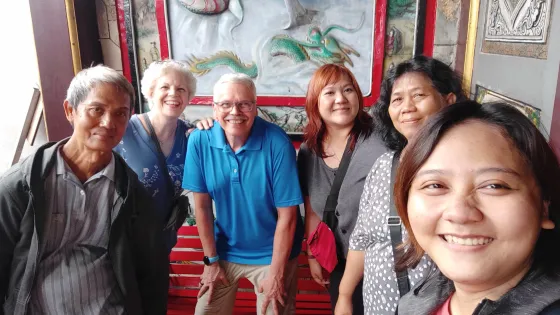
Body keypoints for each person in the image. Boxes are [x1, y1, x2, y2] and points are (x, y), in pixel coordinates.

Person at [0, 65, 169, 315]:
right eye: (96, 110)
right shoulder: (20, 186)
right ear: (70, 110)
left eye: (120, 113)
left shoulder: (133, 196)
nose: (108, 123)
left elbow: (152, 274)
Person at [394, 101, 560, 314]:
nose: (460, 213)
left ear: (545, 206)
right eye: (435, 185)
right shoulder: (417, 301)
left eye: (494, 186)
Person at [336, 56, 469, 315]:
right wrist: (344, 294)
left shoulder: (462, 166)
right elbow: (363, 237)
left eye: (418, 95)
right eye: (397, 99)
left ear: (449, 101)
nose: (407, 107)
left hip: (436, 306)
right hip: (378, 306)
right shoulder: (384, 165)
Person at [182, 73, 304, 315]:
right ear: (214, 109)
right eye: (226, 104)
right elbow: (203, 208)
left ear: (255, 108)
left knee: (274, 310)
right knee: (206, 311)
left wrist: (277, 274)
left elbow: (288, 217)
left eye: (244, 104)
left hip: (273, 254)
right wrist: (210, 261)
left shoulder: (277, 143)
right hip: (225, 251)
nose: (235, 111)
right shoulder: (199, 141)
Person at [297, 64, 386, 314]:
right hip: (339, 261)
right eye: (330, 93)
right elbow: (313, 209)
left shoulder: (382, 140)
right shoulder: (309, 151)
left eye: (348, 90)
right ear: (315, 101)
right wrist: (313, 255)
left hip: (382, 261)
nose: (340, 99)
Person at [115, 59, 212, 253]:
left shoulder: (191, 138)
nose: (173, 94)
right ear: (151, 92)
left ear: (188, 97)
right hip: (119, 242)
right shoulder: (124, 131)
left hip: (160, 243)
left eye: (181, 89)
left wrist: (212, 129)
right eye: (165, 87)